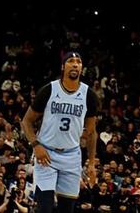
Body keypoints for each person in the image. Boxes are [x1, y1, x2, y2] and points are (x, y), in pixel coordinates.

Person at [21, 52, 99, 213]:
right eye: (71, 61)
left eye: (79, 62)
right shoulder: (49, 90)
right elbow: (26, 121)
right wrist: (36, 145)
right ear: (63, 67)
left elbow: (91, 132)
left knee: (67, 209)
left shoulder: (89, 95)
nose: (75, 64)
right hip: (46, 154)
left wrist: (91, 163)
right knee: (45, 208)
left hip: (72, 156)